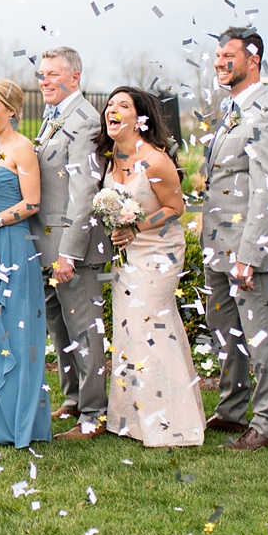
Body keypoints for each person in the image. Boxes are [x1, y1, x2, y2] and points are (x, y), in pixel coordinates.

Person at [200, 25, 268, 451]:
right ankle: (231, 409)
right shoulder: (231, 110)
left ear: (253, 59)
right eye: (218, 56)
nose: (221, 63)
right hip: (219, 245)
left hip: (251, 248)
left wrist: (249, 254)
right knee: (226, 333)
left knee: (262, 339)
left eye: (229, 56)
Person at [100, 87, 204, 448]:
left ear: (140, 118)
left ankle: (173, 424)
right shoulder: (112, 155)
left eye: (122, 106)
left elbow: (176, 208)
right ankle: (133, 421)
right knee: (128, 332)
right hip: (126, 257)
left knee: (152, 329)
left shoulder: (156, 161)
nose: (112, 110)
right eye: (110, 105)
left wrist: (135, 227)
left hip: (158, 253)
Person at [0, 79, 51, 447]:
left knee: (18, 332)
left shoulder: (23, 148)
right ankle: (0, 425)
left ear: (12, 109)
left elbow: (32, 203)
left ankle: (24, 424)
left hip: (14, 249)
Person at [34, 46, 108, 439]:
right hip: (45, 244)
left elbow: (83, 193)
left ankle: (94, 414)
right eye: (41, 75)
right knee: (59, 329)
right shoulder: (53, 118)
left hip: (71, 249)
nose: (43, 81)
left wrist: (68, 252)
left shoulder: (85, 121)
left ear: (75, 78)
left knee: (83, 329)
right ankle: (74, 399)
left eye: (51, 74)